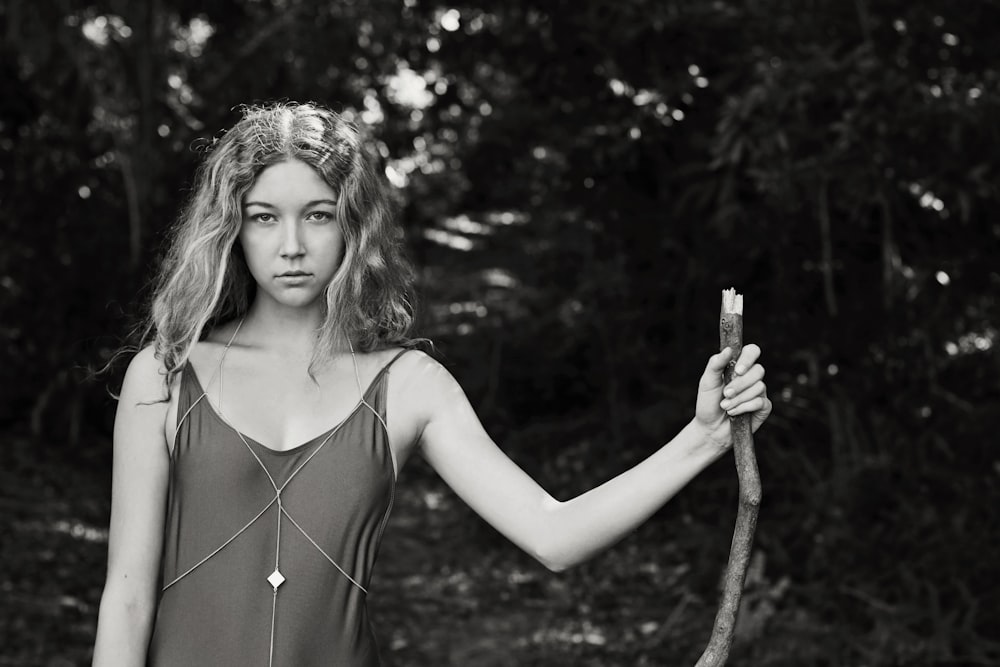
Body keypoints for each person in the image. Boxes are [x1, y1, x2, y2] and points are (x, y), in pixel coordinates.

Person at [91, 102, 771, 667]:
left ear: (353, 224)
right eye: (264, 216)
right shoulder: (166, 374)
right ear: (233, 226)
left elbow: (553, 534)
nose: (291, 244)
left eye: (319, 213)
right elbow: (126, 593)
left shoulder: (409, 385)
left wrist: (703, 439)